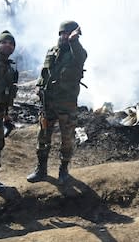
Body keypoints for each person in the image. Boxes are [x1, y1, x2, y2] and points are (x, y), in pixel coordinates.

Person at [27, 21, 87, 185]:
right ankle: (41, 170)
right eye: (63, 33)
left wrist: (75, 41)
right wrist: (39, 87)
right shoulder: (51, 51)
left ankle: (63, 171)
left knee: (67, 139)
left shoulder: (78, 53)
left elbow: (81, 56)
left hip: (66, 105)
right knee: (43, 136)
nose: (65, 36)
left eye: (68, 34)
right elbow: (44, 73)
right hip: (48, 104)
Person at [0, 31, 18, 191]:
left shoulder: (11, 69)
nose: (8, 45)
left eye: (11, 43)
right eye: (5, 42)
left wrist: (6, 115)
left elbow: (8, 94)